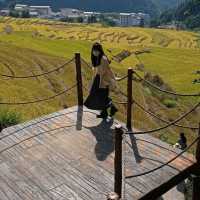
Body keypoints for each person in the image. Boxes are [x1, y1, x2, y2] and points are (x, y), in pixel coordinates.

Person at [84, 42, 118, 120]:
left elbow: (105, 72)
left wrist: (108, 81)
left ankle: (111, 108)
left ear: (100, 50)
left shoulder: (103, 58)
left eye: (97, 50)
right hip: (98, 80)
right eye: (94, 50)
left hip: (103, 81)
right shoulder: (98, 58)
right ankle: (106, 112)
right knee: (100, 97)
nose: (95, 52)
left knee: (100, 97)